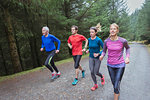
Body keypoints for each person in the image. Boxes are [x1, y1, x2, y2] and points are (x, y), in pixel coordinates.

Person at [99, 23, 130, 100]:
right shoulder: (106, 41)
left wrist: (127, 57)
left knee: (116, 85)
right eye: (111, 29)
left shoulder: (123, 41)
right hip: (110, 65)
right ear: (109, 30)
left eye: (114, 29)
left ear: (117, 30)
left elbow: (128, 48)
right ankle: (117, 91)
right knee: (114, 83)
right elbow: (104, 51)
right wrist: (102, 55)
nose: (112, 30)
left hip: (120, 65)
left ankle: (116, 95)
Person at [86, 26, 105, 91]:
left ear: (96, 32)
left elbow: (104, 49)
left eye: (92, 32)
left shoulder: (98, 40)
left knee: (96, 72)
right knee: (91, 71)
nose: (91, 33)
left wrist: (98, 53)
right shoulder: (89, 39)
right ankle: (95, 84)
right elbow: (91, 47)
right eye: (90, 32)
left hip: (97, 58)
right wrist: (88, 50)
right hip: (91, 57)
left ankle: (102, 76)